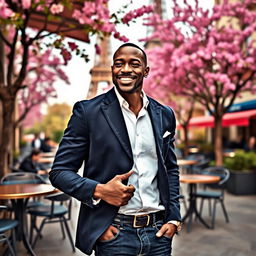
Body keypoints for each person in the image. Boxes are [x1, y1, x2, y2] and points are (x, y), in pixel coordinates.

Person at [49, 43, 181, 256]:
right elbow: (59, 173)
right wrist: (100, 190)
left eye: (134, 64)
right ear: (112, 69)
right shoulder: (87, 112)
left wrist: (173, 218)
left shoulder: (164, 114)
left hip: (158, 233)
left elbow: (170, 169)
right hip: (114, 234)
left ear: (146, 71)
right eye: (119, 64)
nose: (125, 69)